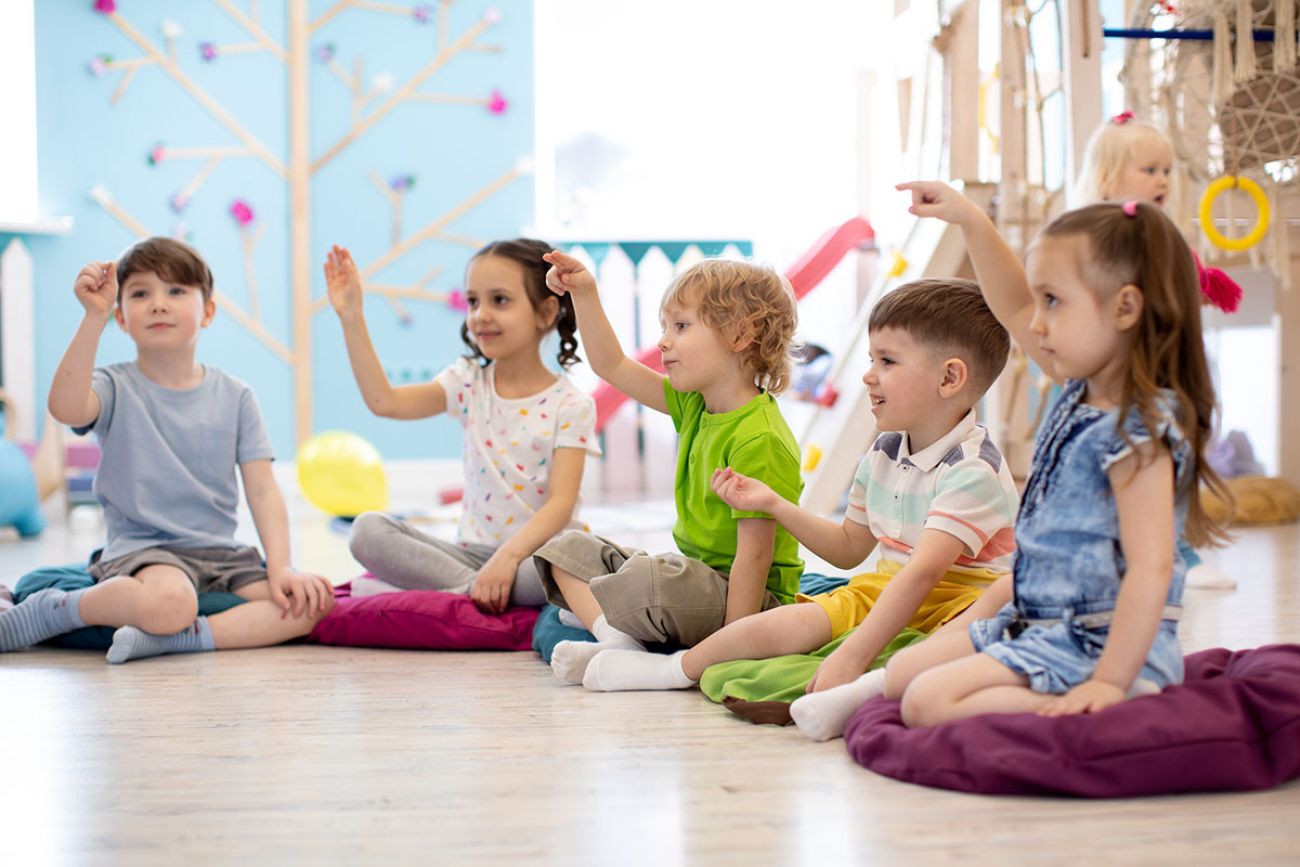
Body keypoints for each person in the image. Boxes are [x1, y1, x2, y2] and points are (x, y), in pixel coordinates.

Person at [582, 280, 1019, 740]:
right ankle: (670, 672)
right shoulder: (884, 452)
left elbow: (922, 576)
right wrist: (773, 505)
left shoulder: (974, 470)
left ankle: (852, 694)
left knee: (940, 654)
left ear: (949, 379)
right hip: (881, 590)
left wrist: (849, 656)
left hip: (963, 602)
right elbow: (850, 549)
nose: (868, 375)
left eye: (887, 361)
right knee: (781, 624)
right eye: (871, 359)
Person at [886, 187, 1230, 725]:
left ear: (1125, 308)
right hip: (1039, 620)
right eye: (1041, 300)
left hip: (1096, 646)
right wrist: (971, 221)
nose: (1037, 323)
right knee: (902, 674)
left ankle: (1130, 702)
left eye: (1054, 301)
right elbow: (1014, 304)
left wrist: (1109, 683)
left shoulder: (1140, 434)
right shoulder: (1079, 383)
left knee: (926, 702)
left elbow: (1151, 568)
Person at [1, 238, 334, 662]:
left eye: (176, 291)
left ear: (208, 311)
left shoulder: (236, 396)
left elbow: (264, 491)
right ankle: (49, 611)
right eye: (141, 293)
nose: (159, 304)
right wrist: (93, 317)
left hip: (222, 554)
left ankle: (177, 638)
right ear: (122, 317)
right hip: (145, 550)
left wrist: (282, 567)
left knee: (311, 609)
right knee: (171, 604)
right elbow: (65, 408)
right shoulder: (114, 385)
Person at [537, 251, 803, 685]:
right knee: (564, 550)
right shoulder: (694, 403)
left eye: (680, 326)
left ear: (739, 335)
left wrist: (732, 647)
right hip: (694, 582)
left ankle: (616, 628)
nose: (663, 341)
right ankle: (615, 638)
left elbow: (754, 558)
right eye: (666, 327)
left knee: (647, 580)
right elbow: (612, 366)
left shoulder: (761, 439)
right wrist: (584, 292)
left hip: (749, 600)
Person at [326, 239, 599, 614]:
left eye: (499, 300)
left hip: (534, 558)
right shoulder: (467, 382)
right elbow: (384, 402)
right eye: (473, 301)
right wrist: (351, 317)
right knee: (367, 530)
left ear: (545, 312)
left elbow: (561, 504)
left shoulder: (571, 405)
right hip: (469, 557)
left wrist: (507, 560)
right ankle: (476, 590)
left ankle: (452, 591)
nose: (480, 315)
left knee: (574, 560)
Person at [1077, 110, 1240, 589]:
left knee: (1175, 454)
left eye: (1166, 171)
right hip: (1114, 375)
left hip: (1164, 370)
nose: (1162, 180)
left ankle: (1179, 551)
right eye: (1149, 171)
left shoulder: (1161, 232)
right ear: (1107, 178)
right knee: (1121, 463)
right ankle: (1138, 552)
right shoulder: (1094, 236)